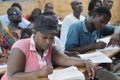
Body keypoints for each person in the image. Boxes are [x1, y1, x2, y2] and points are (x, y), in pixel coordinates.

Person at [1, 11, 96, 80]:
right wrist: (38, 73)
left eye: (51, 38)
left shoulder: (50, 48)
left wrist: (85, 62)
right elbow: (12, 76)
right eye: (44, 37)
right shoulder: (21, 47)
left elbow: (65, 59)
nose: (48, 42)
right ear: (34, 32)